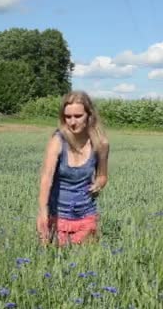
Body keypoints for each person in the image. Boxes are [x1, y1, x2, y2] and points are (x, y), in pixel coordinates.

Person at [36, 91, 110, 246]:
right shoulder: (58, 141)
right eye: (68, 117)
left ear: (89, 116)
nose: (72, 122)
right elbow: (46, 178)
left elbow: (102, 176)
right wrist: (43, 213)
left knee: (85, 263)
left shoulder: (100, 144)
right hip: (58, 217)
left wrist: (98, 184)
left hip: (86, 217)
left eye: (78, 116)